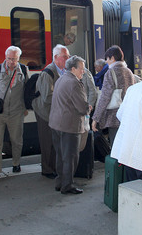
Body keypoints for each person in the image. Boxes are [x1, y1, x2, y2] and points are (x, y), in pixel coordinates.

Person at [0, 46, 29, 183]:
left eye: (14, 59)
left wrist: (25, 107)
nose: (11, 62)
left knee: (16, 140)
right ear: (5, 56)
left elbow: (27, 90)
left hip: (16, 112)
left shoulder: (23, 70)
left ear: (18, 58)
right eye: (9, 58)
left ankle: (16, 163)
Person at [49, 55, 92, 195]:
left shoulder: (61, 79)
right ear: (73, 69)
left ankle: (60, 182)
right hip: (69, 126)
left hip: (56, 124)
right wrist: (88, 108)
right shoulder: (74, 83)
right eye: (81, 68)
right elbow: (81, 107)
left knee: (61, 155)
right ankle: (67, 185)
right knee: (71, 157)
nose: (83, 71)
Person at [32, 44, 70, 179]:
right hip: (45, 112)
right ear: (56, 57)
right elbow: (47, 96)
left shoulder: (63, 71)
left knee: (55, 141)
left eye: (68, 56)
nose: (68, 59)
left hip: (55, 112)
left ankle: (54, 167)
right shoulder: (48, 72)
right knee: (47, 141)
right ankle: (47, 170)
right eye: (65, 56)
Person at [91, 45, 135, 146]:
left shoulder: (110, 73)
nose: (106, 61)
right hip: (128, 114)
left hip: (114, 116)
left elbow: (105, 97)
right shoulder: (129, 72)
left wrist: (96, 118)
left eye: (107, 58)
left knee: (116, 146)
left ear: (112, 58)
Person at [79, 67, 97, 152]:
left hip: (85, 111)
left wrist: (89, 106)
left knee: (84, 136)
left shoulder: (86, 72)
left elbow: (92, 91)